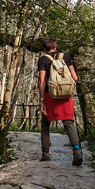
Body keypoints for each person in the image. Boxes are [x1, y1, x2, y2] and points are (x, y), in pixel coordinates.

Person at [37, 37, 82, 166]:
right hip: (65, 95)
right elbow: (75, 77)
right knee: (69, 122)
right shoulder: (66, 57)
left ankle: (45, 153)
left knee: (46, 123)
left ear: (44, 49)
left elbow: (41, 81)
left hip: (49, 94)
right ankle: (77, 150)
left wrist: (41, 100)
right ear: (55, 47)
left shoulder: (43, 59)